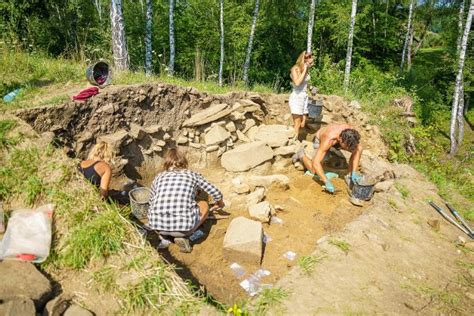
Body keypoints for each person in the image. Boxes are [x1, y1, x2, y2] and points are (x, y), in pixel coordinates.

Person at [148, 148, 225, 253]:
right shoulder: (192, 175)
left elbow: (151, 200)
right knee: (204, 204)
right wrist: (220, 203)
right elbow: (215, 192)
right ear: (184, 162)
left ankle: (165, 237)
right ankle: (189, 236)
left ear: (167, 163)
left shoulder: (158, 177)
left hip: (157, 225)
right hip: (183, 228)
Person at [292, 124, 363, 194]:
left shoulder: (352, 133)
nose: (348, 149)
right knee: (315, 171)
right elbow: (316, 163)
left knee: (358, 149)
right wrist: (326, 181)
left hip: (336, 142)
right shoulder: (329, 138)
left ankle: (350, 176)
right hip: (320, 141)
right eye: (347, 147)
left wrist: (354, 172)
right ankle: (301, 154)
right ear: (341, 140)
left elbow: (357, 149)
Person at [289, 51, 314, 139]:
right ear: (302, 58)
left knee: (303, 123)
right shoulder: (295, 68)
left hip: (304, 96)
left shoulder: (305, 69)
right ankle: (293, 141)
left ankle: (294, 137)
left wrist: (311, 88)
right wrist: (306, 69)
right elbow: (297, 83)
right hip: (297, 97)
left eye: (310, 57)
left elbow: (304, 82)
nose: (310, 59)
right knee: (297, 122)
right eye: (307, 57)